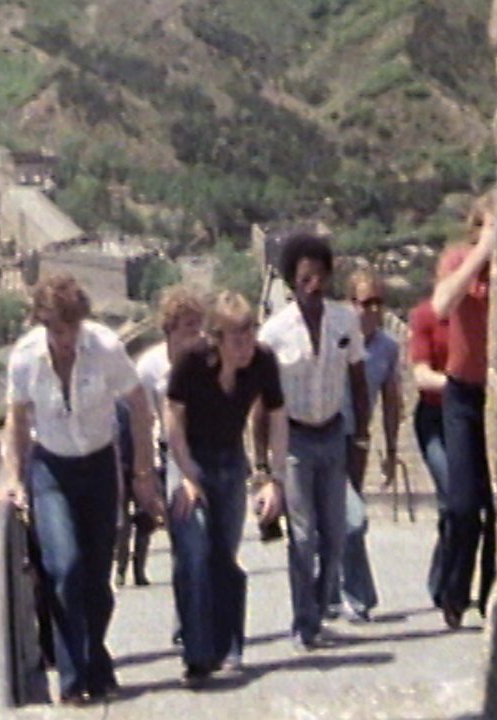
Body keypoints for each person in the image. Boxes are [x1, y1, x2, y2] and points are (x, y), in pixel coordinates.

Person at [0, 273, 164, 704]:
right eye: (56, 328)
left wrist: (142, 474)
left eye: (71, 327)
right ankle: (73, 684)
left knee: (96, 580)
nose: (65, 338)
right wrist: (14, 478)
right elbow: (16, 420)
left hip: (98, 467)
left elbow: (139, 406)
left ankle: (96, 662)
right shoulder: (25, 358)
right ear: (42, 324)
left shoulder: (105, 348)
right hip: (51, 469)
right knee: (64, 568)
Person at [254, 234, 369, 650]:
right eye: (305, 278)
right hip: (295, 440)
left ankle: (320, 609)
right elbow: (261, 403)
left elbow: (358, 381)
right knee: (302, 537)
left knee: (336, 535)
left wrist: (362, 439)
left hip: (333, 434)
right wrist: (263, 466)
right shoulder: (274, 333)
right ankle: (305, 622)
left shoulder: (345, 322)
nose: (313, 285)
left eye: (319, 275)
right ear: (292, 281)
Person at [167, 291, 288, 681]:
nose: (246, 343)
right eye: (236, 336)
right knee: (193, 551)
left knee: (224, 555)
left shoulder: (263, 362)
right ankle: (198, 653)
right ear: (216, 338)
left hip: (231, 460)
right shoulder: (192, 363)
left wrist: (273, 479)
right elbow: (173, 420)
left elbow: (278, 417)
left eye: (250, 332)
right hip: (191, 458)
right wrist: (187, 476)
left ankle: (229, 646)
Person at [430, 190, 497, 629]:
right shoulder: (458, 260)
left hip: (495, 395)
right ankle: (451, 590)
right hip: (460, 394)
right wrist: (482, 254)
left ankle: (490, 594)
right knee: (461, 503)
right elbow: (441, 305)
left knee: (496, 505)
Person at [115, 286, 206, 587]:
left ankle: (205, 612)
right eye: (188, 325)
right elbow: (142, 418)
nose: (195, 332)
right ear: (170, 328)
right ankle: (186, 618)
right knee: (185, 538)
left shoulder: (210, 359)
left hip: (209, 450)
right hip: (171, 457)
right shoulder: (150, 366)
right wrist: (146, 469)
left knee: (214, 542)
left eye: (198, 324)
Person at [327, 268, 402, 621]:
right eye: (365, 302)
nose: (372, 310)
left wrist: (390, 450)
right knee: (351, 519)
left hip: (356, 440)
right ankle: (357, 596)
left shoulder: (388, 348)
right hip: (324, 436)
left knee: (339, 518)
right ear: (350, 304)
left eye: (378, 302)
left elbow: (391, 400)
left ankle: (330, 595)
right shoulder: (335, 339)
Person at [408, 290, 452, 606]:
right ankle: (442, 581)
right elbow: (420, 375)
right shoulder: (425, 315)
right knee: (450, 498)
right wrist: (458, 384)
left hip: (469, 414)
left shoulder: (478, 313)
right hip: (435, 417)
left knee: (472, 504)